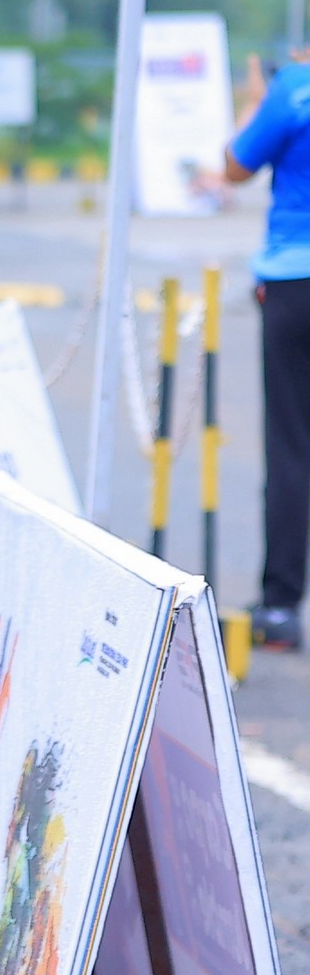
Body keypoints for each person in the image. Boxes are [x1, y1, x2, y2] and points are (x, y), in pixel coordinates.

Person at [212, 43, 310, 649]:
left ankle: (279, 607)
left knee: (292, 445)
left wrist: (254, 104)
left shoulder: (293, 89)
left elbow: (234, 168)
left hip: (295, 283)